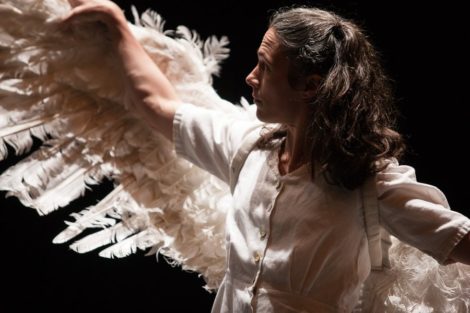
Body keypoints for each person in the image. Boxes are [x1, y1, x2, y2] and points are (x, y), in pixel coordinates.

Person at [61, 1, 470, 312]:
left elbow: (459, 242)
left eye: (264, 66)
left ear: (308, 86)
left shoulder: (369, 183)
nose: (250, 78)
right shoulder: (249, 147)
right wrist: (117, 26)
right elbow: (158, 105)